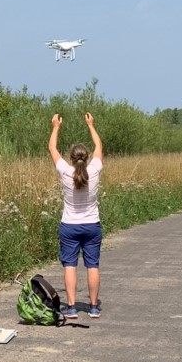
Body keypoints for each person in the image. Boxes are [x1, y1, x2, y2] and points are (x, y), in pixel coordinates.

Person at [48, 111, 104, 319]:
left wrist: (56, 127)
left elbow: (52, 148)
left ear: (71, 159)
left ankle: (71, 307)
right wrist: (91, 125)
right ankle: (93, 307)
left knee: (70, 265)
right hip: (92, 225)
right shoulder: (95, 170)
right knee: (92, 265)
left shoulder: (65, 172)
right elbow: (100, 147)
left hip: (69, 226)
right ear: (86, 157)